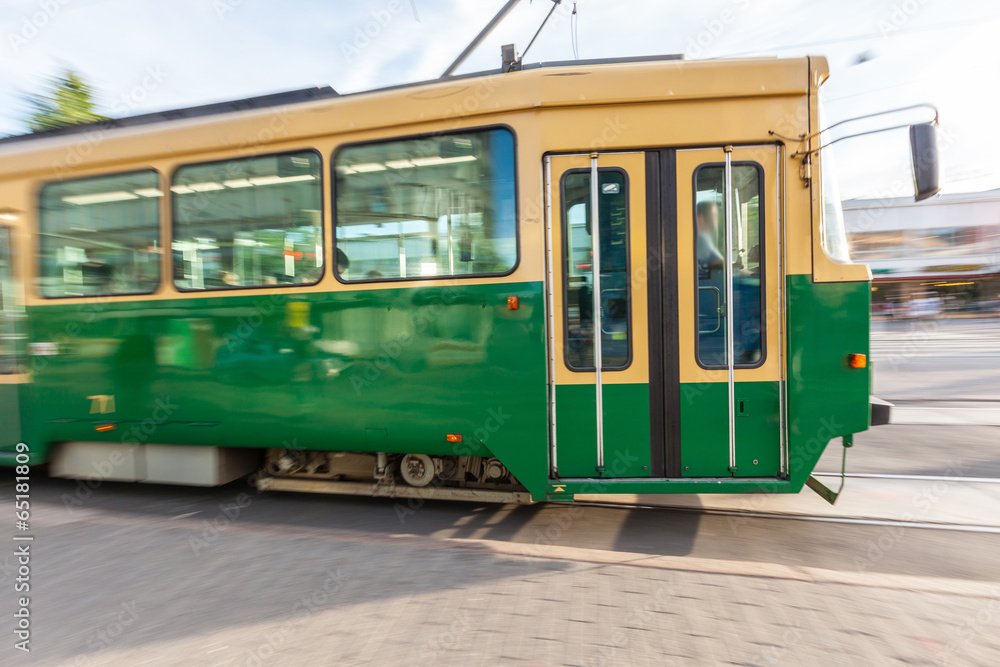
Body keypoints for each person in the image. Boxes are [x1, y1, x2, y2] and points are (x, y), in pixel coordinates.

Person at [696, 200, 725, 275]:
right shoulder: (700, 239)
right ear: (700, 219)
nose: (716, 220)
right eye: (713, 216)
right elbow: (718, 261)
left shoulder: (705, 236)